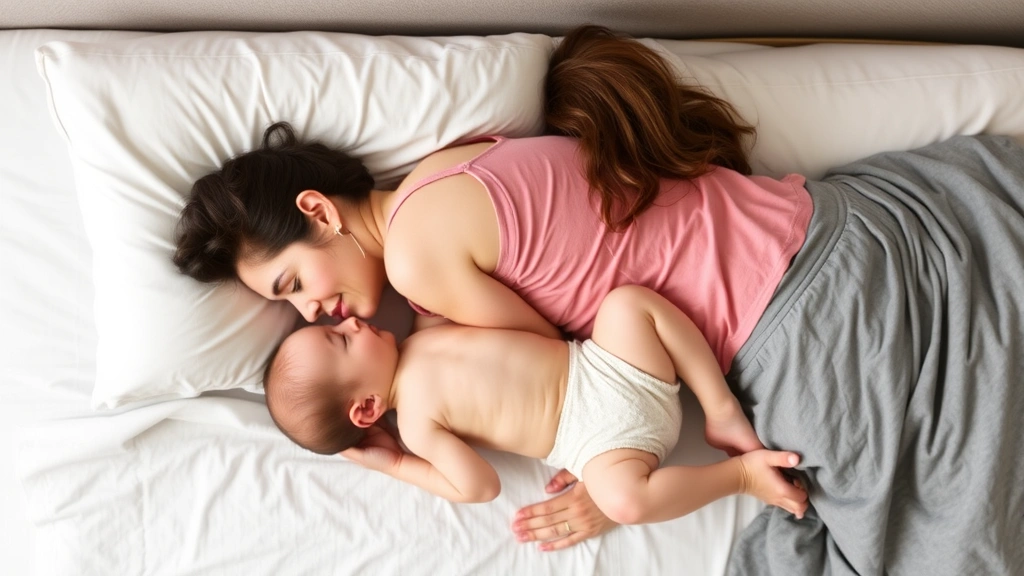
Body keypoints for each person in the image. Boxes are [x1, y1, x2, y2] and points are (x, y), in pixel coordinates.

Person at [174, 25, 1024, 574]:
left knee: (929, 536)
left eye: (292, 286)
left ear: (318, 211)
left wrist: (588, 479)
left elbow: (557, 373)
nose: (313, 313)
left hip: (801, 319)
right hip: (838, 220)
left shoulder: (415, 266)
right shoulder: (449, 164)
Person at [264, 285, 808, 537]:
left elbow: (450, 296)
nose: (353, 323)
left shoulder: (421, 331)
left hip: (605, 367)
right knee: (623, 501)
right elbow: (479, 486)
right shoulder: (418, 426)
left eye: (336, 325)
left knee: (627, 303)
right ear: (366, 407)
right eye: (341, 341)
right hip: (597, 443)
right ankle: (739, 475)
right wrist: (394, 462)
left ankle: (719, 407)